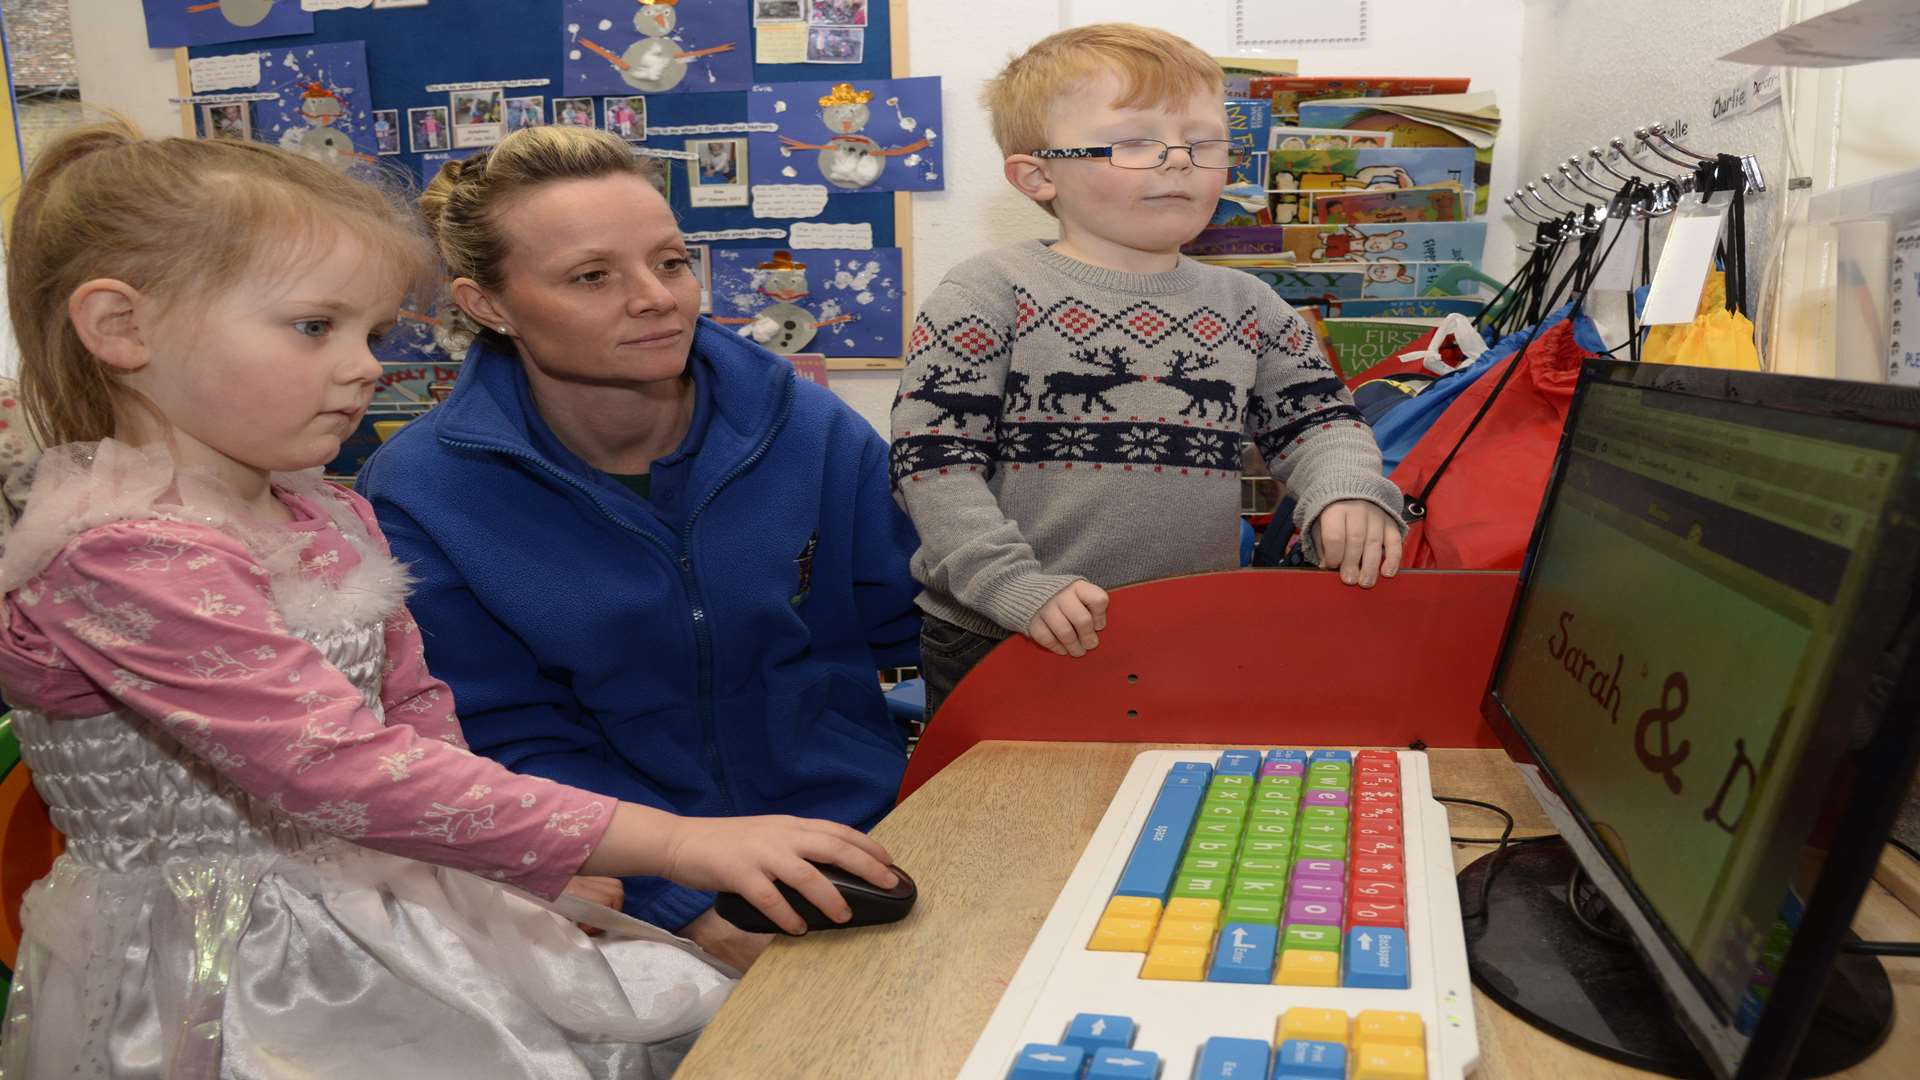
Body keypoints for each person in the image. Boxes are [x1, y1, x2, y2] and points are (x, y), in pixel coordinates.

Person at [0, 121, 899, 1079]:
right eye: (316, 326)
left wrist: (523, 866)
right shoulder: (119, 551)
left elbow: (419, 714)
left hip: (386, 899)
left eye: (371, 331)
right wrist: (674, 847)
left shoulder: (327, 508)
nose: (366, 366)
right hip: (233, 969)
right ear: (122, 329)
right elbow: (336, 768)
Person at [357, 125, 921, 972]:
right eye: (592, 276)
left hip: (861, 845)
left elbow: (917, 626)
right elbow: (499, 738)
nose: (658, 297)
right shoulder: (420, 489)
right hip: (622, 898)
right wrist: (684, 908)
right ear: (489, 306)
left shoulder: (807, 427)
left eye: (670, 261)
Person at [890, 24, 1406, 720]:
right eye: (1134, 142)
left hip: (1191, 631)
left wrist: (1346, 490)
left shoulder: (1249, 303)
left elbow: (1320, 423)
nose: (1179, 163)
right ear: (1037, 174)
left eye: (1202, 143)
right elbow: (933, 462)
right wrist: (1010, 584)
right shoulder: (988, 290)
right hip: (1003, 631)